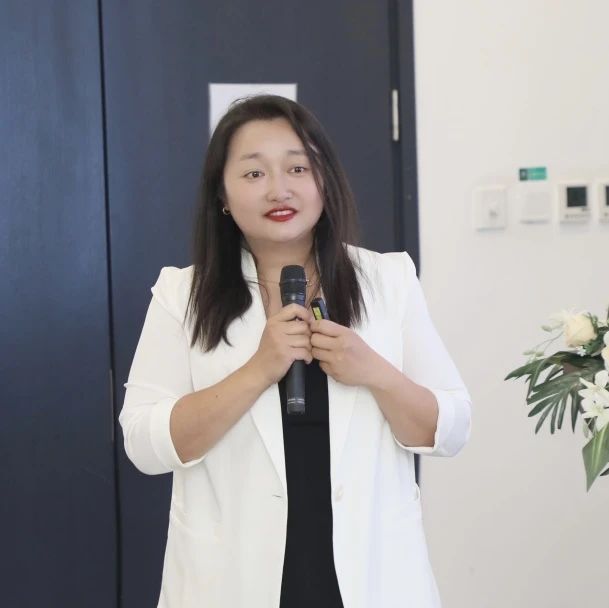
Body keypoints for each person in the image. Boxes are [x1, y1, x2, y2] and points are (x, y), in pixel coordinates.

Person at [119, 94, 472, 608]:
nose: (279, 189)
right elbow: (144, 445)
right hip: (233, 581)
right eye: (253, 173)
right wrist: (259, 370)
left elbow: (451, 430)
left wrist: (373, 371)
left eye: (297, 168)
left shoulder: (388, 279)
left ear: (324, 180)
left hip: (370, 577)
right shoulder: (182, 294)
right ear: (222, 194)